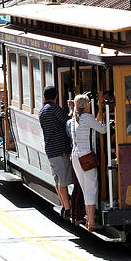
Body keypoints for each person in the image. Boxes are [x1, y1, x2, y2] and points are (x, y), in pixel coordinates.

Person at [70, 94, 108, 232]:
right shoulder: (86, 117)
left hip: (75, 156)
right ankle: (91, 222)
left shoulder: (75, 119)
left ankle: (88, 219)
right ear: (86, 105)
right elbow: (103, 129)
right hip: (86, 156)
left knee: (85, 189)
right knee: (91, 189)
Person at [39, 85, 73, 219]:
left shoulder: (42, 111)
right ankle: (67, 208)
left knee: (58, 180)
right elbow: (68, 122)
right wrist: (72, 109)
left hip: (50, 149)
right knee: (63, 181)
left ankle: (65, 206)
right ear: (56, 97)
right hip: (59, 149)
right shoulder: (54, 109)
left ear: (44, 97)